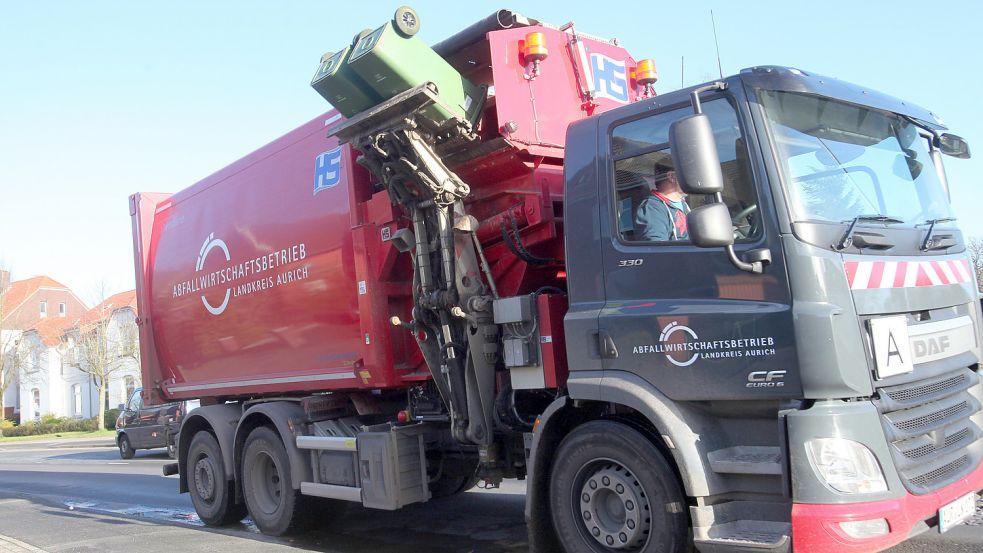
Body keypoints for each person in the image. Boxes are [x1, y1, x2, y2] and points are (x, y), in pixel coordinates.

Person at [635, 161, 691, 241]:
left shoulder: (683, 204)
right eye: (687, 174)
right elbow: (658, 249)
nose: (692, 178)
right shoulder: (652, 207)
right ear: (672, 176)